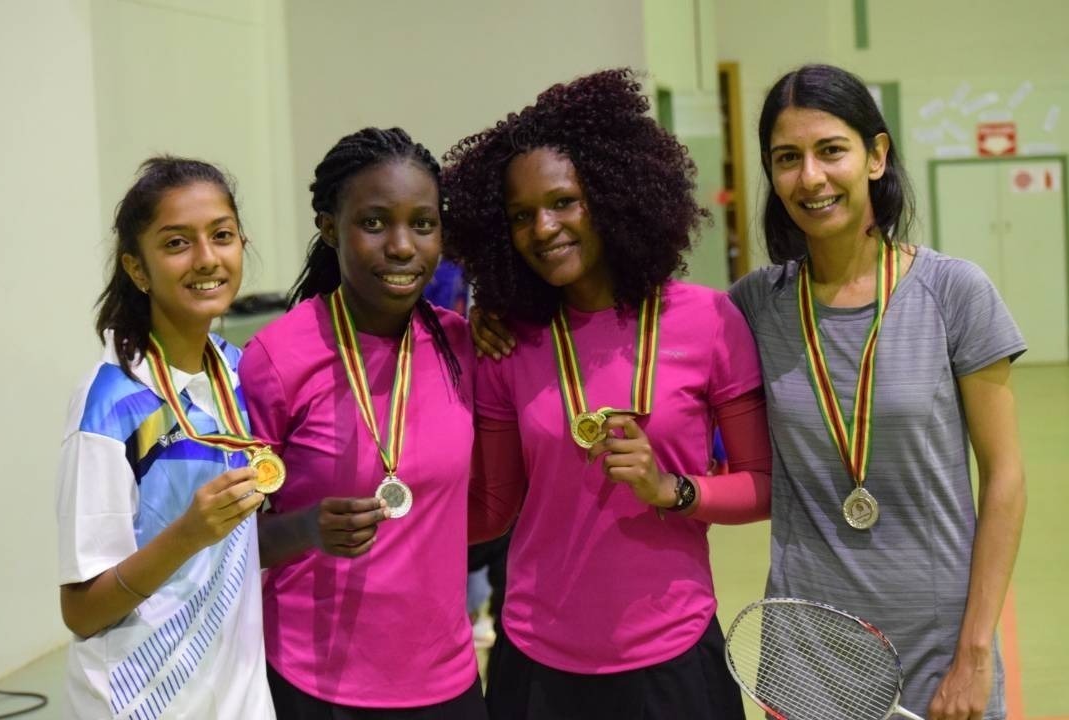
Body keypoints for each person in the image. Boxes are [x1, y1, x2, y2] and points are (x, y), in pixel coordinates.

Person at [443, 68, 772, 719]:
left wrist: (674, 490)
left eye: (564, 201)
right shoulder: (512, 340)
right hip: (537, 661)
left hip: (673, 657)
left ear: (616, 192)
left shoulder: (708, 321)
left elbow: (763, 484)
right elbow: (495, 508)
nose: (543, 227)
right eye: (520, 216)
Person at [730, 64, 1026, 720]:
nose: (810, 177)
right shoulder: (754, 305)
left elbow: (1005, 476)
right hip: (805, 646)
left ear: (877, 155)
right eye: (787, 158)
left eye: (831, 150)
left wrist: (976, 651)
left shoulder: (954, 292)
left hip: (939, 641)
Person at [238, 127, 487, 719]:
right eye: (374, 223)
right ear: (329, 228)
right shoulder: (276, 358)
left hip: (447, 679)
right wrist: (304, 530)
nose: (402, 246)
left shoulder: (462, 346)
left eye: (423, 224)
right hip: (315, 682)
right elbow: (226, 545)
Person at [56, 157, 275, 719]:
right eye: (177, 243)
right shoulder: (108, 405)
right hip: (143, 700)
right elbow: (81, 612)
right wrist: (187, 534)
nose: (207, 259)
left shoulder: (240, 374)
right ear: (137, 268)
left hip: (236, 695)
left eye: (222, 236)